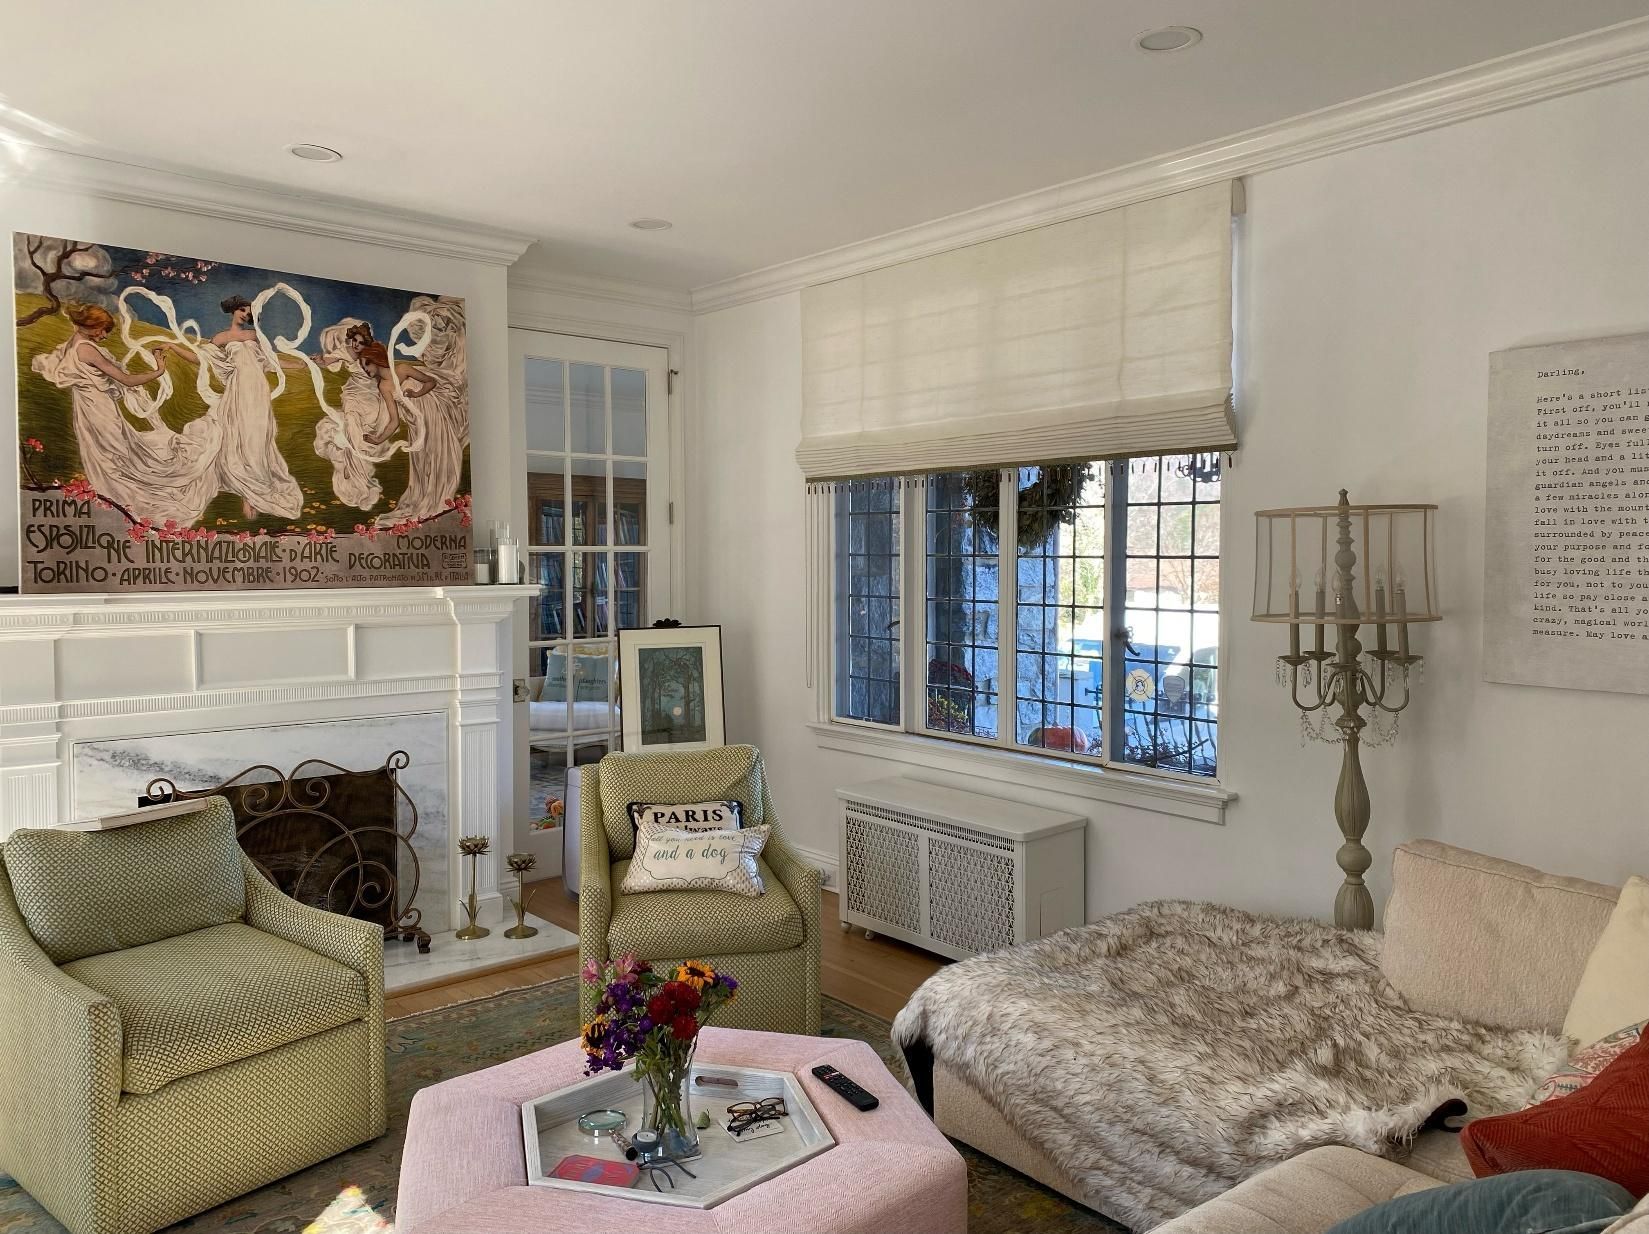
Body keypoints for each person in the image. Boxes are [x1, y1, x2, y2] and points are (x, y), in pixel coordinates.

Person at [29, 303, 222, 526]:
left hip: (86, 408)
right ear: (92, 327)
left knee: (107, 454)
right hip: (99, 409)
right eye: (102, 331)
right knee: (115, 453)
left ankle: (115, 501)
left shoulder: (73, 342)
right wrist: (158, 371)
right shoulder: (87, 349)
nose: (104, 336)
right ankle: (127, 500)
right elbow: (126, 380)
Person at [165, 294, 302, 520]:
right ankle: (247, 494)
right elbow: (200, 359)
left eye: (249, 312)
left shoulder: (255, 336)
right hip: (237, 390)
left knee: (257, 439)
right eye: (242, 310)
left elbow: (272, 361)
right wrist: (173, 347)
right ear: (234, 311)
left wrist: (302, 364)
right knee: (238, 438)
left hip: (258, 391)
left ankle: (254, 494)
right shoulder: (221, 338)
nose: (245, 314)